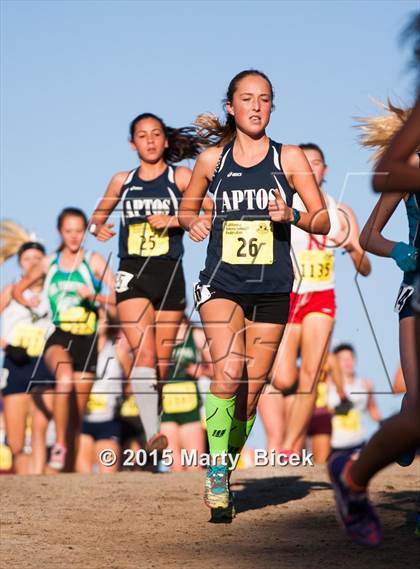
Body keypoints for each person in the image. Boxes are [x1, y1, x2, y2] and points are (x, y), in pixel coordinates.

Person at [179, 69, 330, 518]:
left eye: (264, 99)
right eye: (247, 99)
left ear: (272, 107)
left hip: (272, 286)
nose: (256, 106)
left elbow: (323, 220)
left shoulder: (291, 158)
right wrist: (194, 221)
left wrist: (292, 214)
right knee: (227, 372)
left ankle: (223, 463)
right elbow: (188, 206)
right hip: (221, 284)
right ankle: (218, 474)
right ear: (231, 106)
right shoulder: (213, 160)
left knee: (251, 391)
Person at [328, 80, 420, 546]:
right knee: (418, 407)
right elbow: (368, 236)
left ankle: (405, 436)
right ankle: (360, 469)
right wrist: (402, 250)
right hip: (417, 293)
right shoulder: (411, 171)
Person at [90, 113, 211, 452]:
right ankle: (151, 430)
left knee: (158, 363)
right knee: (143, 354)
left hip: (170, 274)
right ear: (133, 143)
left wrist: (176, 220)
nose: (150, 140)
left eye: (156, 134)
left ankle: (150, 412)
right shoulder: (122, 181)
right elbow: (97, 217)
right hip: (132, 275)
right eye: (142, 135)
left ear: (166, 140)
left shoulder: (181, 176)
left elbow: (210, 208)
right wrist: (97, 228)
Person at [259, 143, 371, 458]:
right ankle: (285, 432)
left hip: (322, 296)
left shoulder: (341, 211)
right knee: (284, 376)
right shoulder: (282, 205)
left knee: (311, 373)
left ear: (325, 170)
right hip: (287, 294)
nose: (311, 168)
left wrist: (350, 247)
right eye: (304, 163)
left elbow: (366, 267)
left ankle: (290, 448)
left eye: (316, 162)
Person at [13, 208, 115, 471]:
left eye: (79, 231)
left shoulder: (93, 261)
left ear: (85, 232)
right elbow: (18, 288)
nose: (73, 236)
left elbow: (119, 296)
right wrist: (29, 301)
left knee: (75, 420)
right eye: (68, 231)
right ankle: (58, 444)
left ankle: (66, 478)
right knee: (64, 376)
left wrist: (95, 297)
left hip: (87, 341)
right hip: (59, 335)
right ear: (60, 232)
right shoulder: (50, 263)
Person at [0, 221, 53, 474]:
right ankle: (25, 491)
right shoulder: (10, 291)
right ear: (20, 262)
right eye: (27, 258)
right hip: (15, 364)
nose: (32, 262)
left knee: (42, 435)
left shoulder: (54, 291)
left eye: (38, 258)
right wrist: (6, 346)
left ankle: (42, 488)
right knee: (17, 440)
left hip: (44, 365)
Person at [76, 309, 131, 473]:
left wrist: (122, 398)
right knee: (82, 479)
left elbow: (132, 379)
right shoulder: (77, 350)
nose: (100, 322)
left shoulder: (117, 350)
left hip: (109, 421)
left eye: (103, 318)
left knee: (108, 478)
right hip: (82, 422)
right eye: (96, 318)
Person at [160, 317, 210, 472]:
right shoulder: (158, 334)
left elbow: (218, 369)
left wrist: (201, 370)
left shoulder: (196, 335)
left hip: (191, 411)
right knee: (175, 468)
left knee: (195, 467)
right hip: (165, 411)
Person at [329, 344, 381, 454]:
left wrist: (387, 426)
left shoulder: (366, 384)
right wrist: (337, 409)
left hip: (359, 443)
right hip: (333, 444)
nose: (347, 362)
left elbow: (373, 409)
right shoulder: (328, 384)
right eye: (342, 359)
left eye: (350, 358)